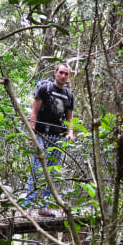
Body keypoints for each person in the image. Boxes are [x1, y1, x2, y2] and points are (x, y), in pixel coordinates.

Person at [23, 63, 75, 216]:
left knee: (51, 172)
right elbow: (34, 111)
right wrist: (32, 132)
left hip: (57, 136)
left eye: (66, 74)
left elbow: (69, 118)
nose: (63, 76)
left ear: (69, 76)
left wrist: (70, 132)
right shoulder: (44, 89)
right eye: (61, 73)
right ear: (55, 73)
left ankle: (44, 207)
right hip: (41, 134)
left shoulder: (69, 95)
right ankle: (27, 205)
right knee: (37, 169)